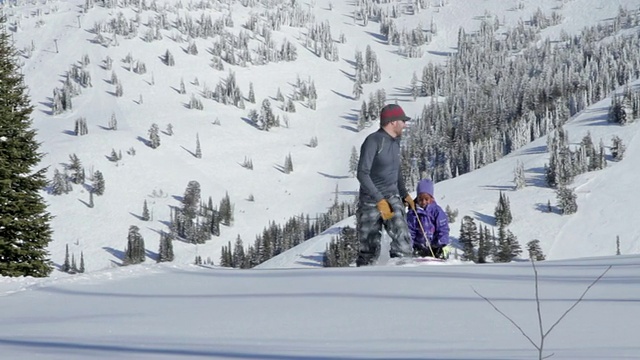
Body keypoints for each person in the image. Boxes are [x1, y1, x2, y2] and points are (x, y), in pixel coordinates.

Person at [355, 104, 415, 266]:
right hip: (370, 202)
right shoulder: (374, 141)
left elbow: (395, 171)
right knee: (368, 250)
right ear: (393, 122)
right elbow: (362, 173)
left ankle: (402, 275)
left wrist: (404, 194)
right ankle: (367, 283)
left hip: (392, 198)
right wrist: (379, 199)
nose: (405, 124)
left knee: (402, 242)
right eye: (402, 121)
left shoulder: (395, 142)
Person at [406, 179, 450, 259]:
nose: (423, 202)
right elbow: (410, 231)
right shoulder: (413, 213)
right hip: (419, 246)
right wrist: (409, 246)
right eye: (420, 199)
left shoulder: (437, 211)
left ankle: (441, 253)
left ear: (431, 198)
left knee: (443, 251)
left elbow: (443, 229)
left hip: (435, 246)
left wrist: (442, 244)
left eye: (426, 199)